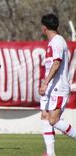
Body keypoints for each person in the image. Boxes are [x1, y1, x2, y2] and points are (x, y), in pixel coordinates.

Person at [39, 13, 76, 156]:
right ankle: (50, 153)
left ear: (44, 28)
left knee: (54, 120)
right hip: (50, 88)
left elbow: (56, 63)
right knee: (44, 116)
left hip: (58, 87)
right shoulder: (53, 42)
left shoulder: (58, 41)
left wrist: (45, 83)